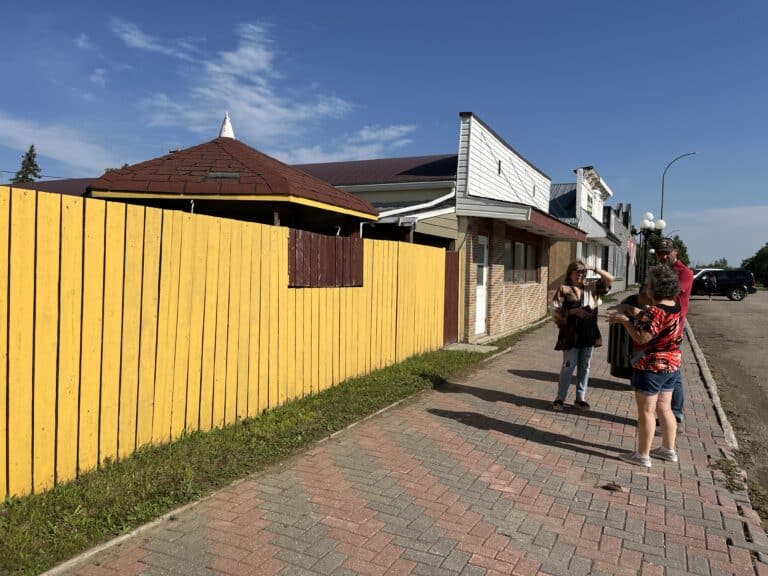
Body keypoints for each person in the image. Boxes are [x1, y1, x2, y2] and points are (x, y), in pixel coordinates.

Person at [608, 265, 683, 467]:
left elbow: (642, 337)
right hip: (671, 365)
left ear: (656, 287)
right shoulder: (674, 305)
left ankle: (642, 455)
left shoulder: (656, 311)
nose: (646, 288)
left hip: (651, 366)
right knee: (665, 408)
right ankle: (668, 450)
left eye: (648, 284)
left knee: (646, 411)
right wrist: (630, 310)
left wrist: (625, 321)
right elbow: (653, 319)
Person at [550, 261, 614, 411]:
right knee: (568, 365)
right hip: (570, 334)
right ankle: (560, 398)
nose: (580, 274)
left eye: (582, 272)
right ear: (570, 273)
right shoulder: (564, 289)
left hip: (588, 333)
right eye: (577, 271)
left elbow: (610, 279)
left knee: (585, 366)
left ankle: (580, 398)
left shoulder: (592, 287)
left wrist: (593, 268)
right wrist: (573, 312)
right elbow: (554, 311)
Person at [653, 237, 693, 424]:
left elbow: (669, 294)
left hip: (674, 326)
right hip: (659, 322)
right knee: (667, 369)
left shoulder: (684, 272)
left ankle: (675, 412)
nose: (663, 256)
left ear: (675, 252)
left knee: (673, 371)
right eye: (660, 253)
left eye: (666, 252)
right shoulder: (661, 271)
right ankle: (668, 411)